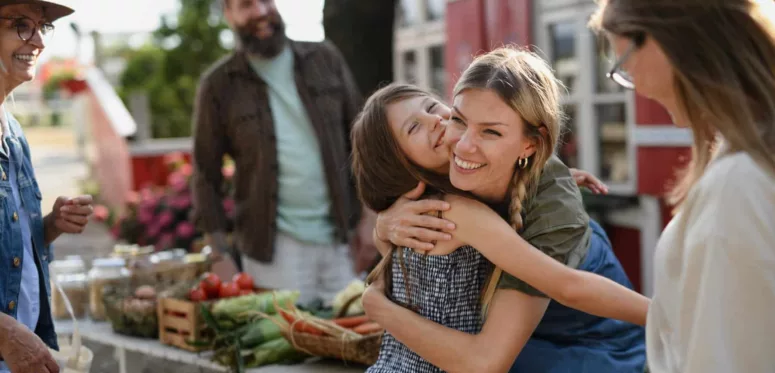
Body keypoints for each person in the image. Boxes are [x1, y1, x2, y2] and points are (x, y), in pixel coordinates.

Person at [356, 48, 646, 373]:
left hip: (590, 344)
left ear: (529, 145)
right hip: (512, 338)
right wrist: (384, 225)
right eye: (459, 120)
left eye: (490, 131)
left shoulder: (544, 201)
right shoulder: (440, 190)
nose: (438, 123)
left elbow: (568, 288)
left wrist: (379, 308)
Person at [590, 0, 775, 372]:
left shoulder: (736, 185)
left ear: (662, 41)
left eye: (624, 63)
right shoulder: (747, 162)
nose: (634, 87)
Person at [191, 0, 376, 305]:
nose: (261, 12)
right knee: (289, 345)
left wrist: (371, 218)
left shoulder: (324, 58)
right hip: (272, 252)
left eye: (266, 1)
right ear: (229, 14)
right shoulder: (218, 85)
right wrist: (218, 253)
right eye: (247, 5)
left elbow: (363, 139)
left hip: (342, 240)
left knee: (353, 338)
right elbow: (205, 175)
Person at [0, 1, 95, 373]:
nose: (38, 40)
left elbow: (15, 249)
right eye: (21, 25)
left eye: (42, 27)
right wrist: (5, 334)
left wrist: (51, 224)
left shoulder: (14, 134)